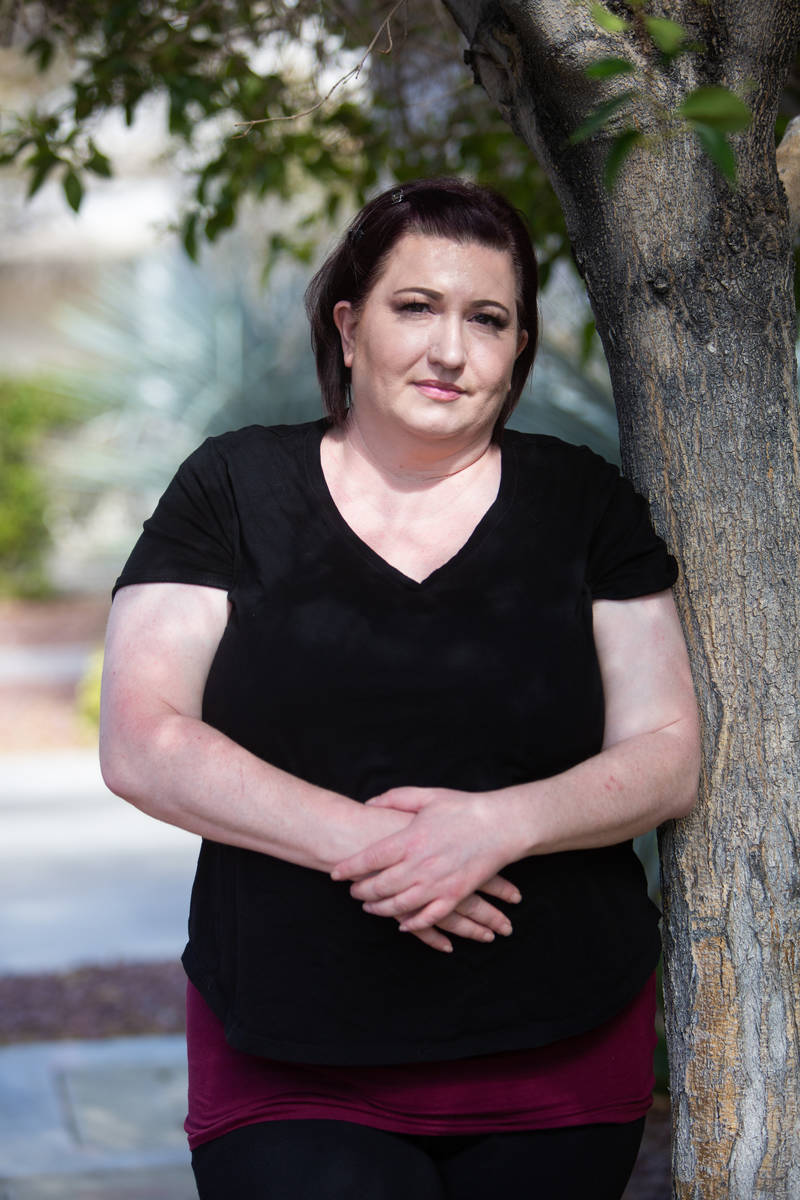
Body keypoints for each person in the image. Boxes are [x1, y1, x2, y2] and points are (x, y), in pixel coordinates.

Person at [99, 177, 700, 1200]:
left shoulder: (580, 503)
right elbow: (142, 739)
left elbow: (664, 753)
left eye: (488, 319)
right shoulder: (234, 490)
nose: (450, 349)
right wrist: (386, 849)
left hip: (555, 1050)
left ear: (515, 350)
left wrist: (496, 827)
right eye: (413, 306)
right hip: (290, 1047)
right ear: (348, 323)